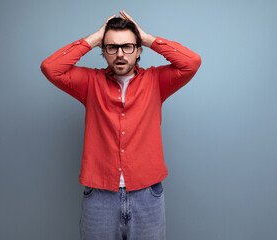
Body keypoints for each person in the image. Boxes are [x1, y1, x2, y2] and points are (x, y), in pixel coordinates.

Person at [40, 10, 201, 240]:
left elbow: (191, 62)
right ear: (103, 52)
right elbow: (50, 67)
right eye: (112, 47)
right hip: (99, 196)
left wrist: (146, 37)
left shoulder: (156, 81)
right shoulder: (89, 83)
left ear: (138, 51)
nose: (120, 54)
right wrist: (95, 38)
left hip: (147, 195)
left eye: (128, 46)